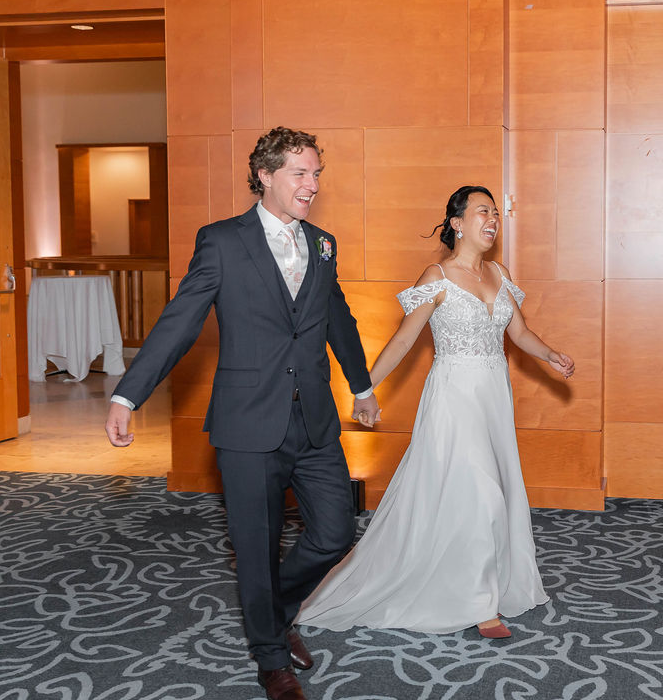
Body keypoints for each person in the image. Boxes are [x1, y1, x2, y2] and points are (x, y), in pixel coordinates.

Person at [104, 127, 379, 700]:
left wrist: (361, 385)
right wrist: (128, 394)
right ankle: (270, 656)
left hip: (316, 420)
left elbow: (339, 320)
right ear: (266, 176)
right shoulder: (222, 242)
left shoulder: (323, 243)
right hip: (247, 422)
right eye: (301, 174)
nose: (312, 185)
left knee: (334, 532)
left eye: (317, 174)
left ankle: (272, 612)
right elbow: (179, 322)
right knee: (256, 544)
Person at [295, 185, 574, 639]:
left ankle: (478, 581)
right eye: (484, 211)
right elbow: (405, 339)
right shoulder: (436, 277)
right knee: (482, 493)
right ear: (458, 223)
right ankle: (482, 604)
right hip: (453, 398)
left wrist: (551, 355)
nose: (493, 219)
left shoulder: (500, 273)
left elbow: (520, 334)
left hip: (492, 398)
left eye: (497, 213)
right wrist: (363, 388)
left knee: (490, 492)